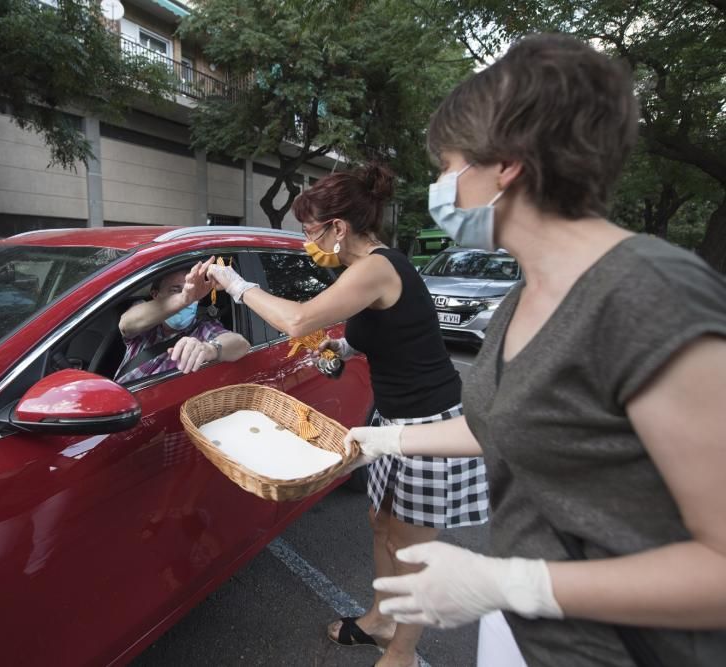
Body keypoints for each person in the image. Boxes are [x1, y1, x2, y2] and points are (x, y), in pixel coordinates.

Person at [346, 34, 726, 667]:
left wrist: (513, 584)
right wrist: (380, 442)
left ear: (507, 164)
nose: (442, 187)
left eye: (449, 165)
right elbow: (502, 422)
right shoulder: (527, 291)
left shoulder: (651, 296)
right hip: (525, 633)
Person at [207, 164, 489, 667]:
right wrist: (333, 347)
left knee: (413, 551)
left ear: (338, 228)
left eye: (310, 231)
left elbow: (295, 319)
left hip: (429, 428)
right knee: (380, 522)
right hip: (394, 424)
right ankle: (381, 618)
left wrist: (234, 284)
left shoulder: (378, 267)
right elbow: (364, 337)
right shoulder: (371, 271)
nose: (306, 242)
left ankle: (402, 652)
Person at [115, 259, 250, 383]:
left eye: (193, 293)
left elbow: (241, 344)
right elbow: (126, 325)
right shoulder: (145, 316)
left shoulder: (202, 329)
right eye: (175, 290)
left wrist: (209, 348)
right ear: (155, 295)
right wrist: (183, 299)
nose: (189, 299)